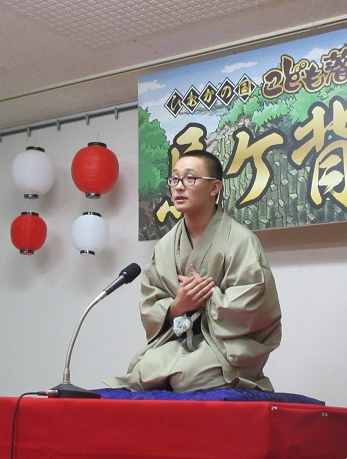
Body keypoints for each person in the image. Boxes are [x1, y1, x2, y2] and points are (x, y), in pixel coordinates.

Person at [106, 149, 282, 392]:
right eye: (175, 179)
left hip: (226, 345)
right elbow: (152, 299)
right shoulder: (166, 245)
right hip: (179, 339)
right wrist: (178, 306)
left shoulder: (241, 241)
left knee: (185, 378)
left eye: (190, 178)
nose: (179, 187)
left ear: (214, 188)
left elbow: (254, 304)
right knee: (142, 372)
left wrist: (207, 298)